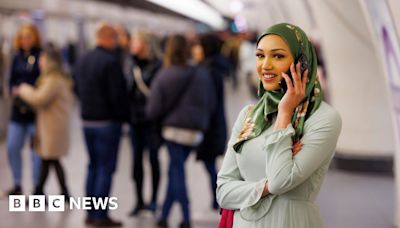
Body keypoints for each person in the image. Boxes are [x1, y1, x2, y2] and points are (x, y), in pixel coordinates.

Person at [216, 23, 342, 228]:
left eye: (278, 56)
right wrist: (264, 187)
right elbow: (223, 192)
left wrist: (284, 114)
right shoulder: (250, 115)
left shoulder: (323, 119)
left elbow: (280, 181)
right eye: (260, 55)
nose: (265, 65)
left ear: (303, 64)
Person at [146, 34, 216, 228]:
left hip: (173, 131)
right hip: (195, 132)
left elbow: (153, 109)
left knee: (177, 173)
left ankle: (185, 217)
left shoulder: (165, 74)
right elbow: (211, 103)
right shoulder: (201, 73)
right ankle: (164, 216)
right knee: (174, 170)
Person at [73, 22, 128, 227]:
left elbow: (76, 88)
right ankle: (100, 215)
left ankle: (90, 213)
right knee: (105, 168)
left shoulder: (82, 59)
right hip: (107, 122)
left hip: (87, 121)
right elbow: (117, 95)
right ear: (109, 38)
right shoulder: (110, 62)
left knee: (93, 166)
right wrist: (123, 116)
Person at [14, 45, 73, 199]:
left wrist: (23, 89)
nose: (40, 61)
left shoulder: (54, 80)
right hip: (51, 125)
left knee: (49, 158)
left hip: (53, 127)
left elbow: (39, 99)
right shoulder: (55, 78)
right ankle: (48, 192)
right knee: (50, 160)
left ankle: (42, 192)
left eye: (42, 59)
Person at [128, 31, 163, 216]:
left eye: (136, 42)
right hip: (135, 121)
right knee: (136, 161)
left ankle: (154, 200)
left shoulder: (157, 66)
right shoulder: (130, 63)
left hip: (152, 121)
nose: (132, 45)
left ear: (145, 45)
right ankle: (139, 200)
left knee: (153, 160)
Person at [192, 33, 228, 210]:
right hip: (214, 123)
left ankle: (218, 197)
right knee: (210, 163)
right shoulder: (214, 68)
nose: (195, 49)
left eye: (198, 46)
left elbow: (207, 101)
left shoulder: (208, 71)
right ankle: (217, 197)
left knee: (209, 163)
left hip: (209, 125)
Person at [6, 23, 42, 195]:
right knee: (12, 146)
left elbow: (43, 82)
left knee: (36, 152)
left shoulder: (40, 57)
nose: (25, 41)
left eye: (28, 37)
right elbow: (11, 80)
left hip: (35, 111)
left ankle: (37, 187)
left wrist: (26, 89)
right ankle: (17, 184)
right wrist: (13, 89)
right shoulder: (17, 58)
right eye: (22, 37)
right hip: (18, 112)